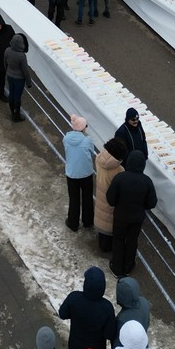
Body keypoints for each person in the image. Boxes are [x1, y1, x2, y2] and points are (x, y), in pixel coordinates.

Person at [107, 150, 157, 278]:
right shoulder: (147, 181)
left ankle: (117, 267)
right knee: (132, 240)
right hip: (137, 218)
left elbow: (111, 199)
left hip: (121, 216)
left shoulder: (120, 178)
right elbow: (152, 203)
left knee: (118, 239)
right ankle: (128, 266)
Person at [57, 267, 117, 349]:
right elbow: (109, 334)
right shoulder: (107, 307)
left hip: (76, 347)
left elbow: (62, 314)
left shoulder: (74, 298)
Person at [94, 137, 128, 254]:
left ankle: (101, 243)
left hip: (100, 193)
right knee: (109, 221)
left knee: (101, 217)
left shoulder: (98, 158)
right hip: (111, 199)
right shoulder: (119, 170)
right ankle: (106, 247)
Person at [64, 115, 97, 232]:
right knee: (87, 197)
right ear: (83, 128)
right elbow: (91, 153)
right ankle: (88, 221)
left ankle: (73, 222)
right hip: (86, 173)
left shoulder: (66, 138)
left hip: (72, 174)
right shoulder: (87, 140)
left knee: (74, 198)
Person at [4, 33, 32, 122]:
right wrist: (28, 82)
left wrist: (7, 71)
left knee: (11, 94)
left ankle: (12, 112)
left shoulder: (7, 50)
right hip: (19, 79)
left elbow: (5, 63)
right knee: (17, 96)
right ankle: (17, 115)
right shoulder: (21, 56)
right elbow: (25, 70)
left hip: (10, 75)